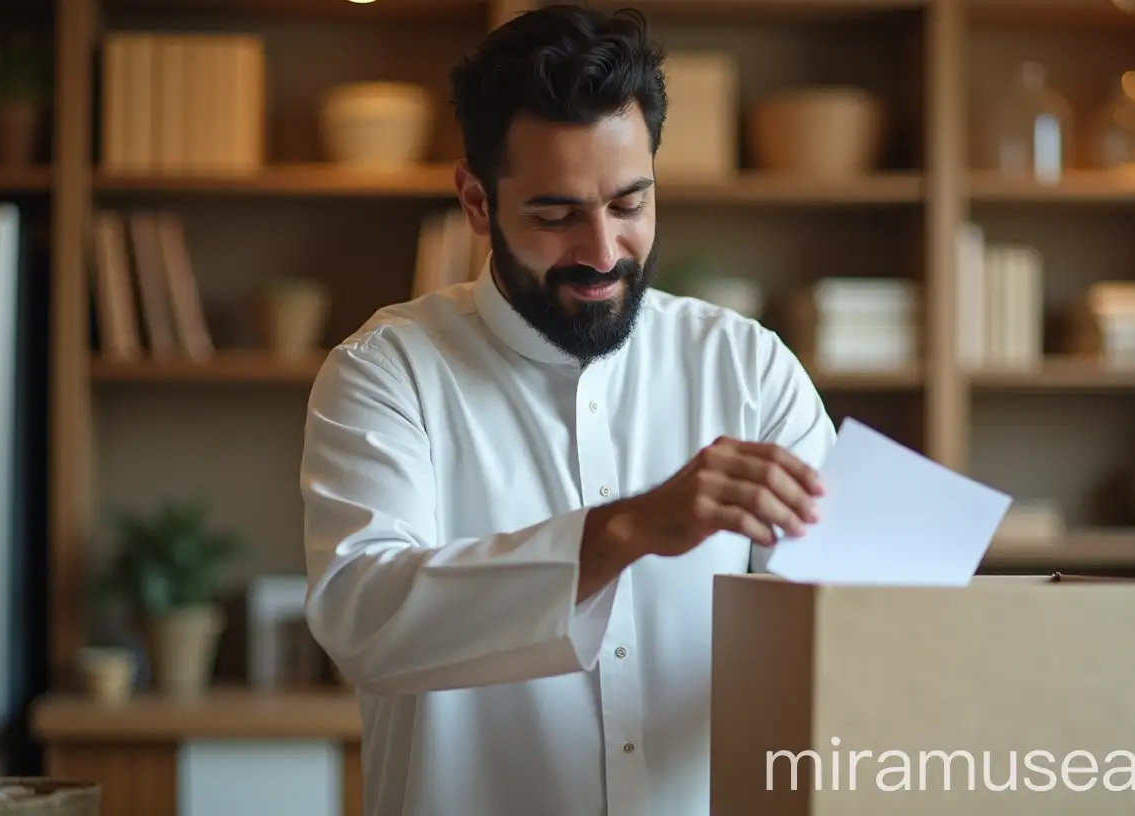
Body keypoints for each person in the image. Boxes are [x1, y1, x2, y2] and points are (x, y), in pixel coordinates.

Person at [300, 5, 837, 814]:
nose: (601, 253)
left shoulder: (748, 367)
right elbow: (364, 618)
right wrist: (623, 532)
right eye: (555, 216)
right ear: (477, 202)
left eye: (629, 206)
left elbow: (847, 621)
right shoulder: (388, 373)